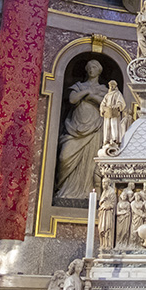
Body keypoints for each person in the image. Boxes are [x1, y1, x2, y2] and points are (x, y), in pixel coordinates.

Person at [56, 60, 107, 199]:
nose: (91, 69)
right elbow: (72, 99)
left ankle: (87, 193)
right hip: (74, 128)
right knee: (64, 157)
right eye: (89, 67)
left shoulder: (104, 89)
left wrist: (90, 96)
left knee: (90, 163)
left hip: (95, 128)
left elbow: (107, 105)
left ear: (99, 70)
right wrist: (87, 91)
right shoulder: (79, 86)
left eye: (94, 67)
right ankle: (64, 190)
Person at [99, 80, 126, 152]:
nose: (111, 87)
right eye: (110, 85)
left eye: (112, 85)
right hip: (108, 113)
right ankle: (107, 140)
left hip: (114, 113)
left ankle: (115, 140)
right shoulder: (107, 95)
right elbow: (103, 103)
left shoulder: (117, 94)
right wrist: (102, 109)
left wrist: (116, 106)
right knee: (107, 126)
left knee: (114, 126)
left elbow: (121, 103)